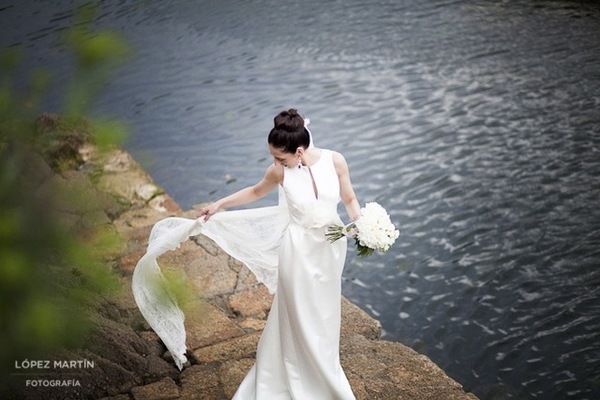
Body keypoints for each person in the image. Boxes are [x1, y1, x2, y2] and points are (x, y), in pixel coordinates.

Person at [198, 109, 360, 399]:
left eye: (280, 157)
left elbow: (349, 198)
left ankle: (323, 367)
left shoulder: (335, 161)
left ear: (299, 151)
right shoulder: (279, 172)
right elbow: (256, 192)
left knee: (324, 313)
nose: (275, 162)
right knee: (299, 313)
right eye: (273, 157)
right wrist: (219, 204)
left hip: (331, 246)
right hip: (297, 250)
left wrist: (361, 224)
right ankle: (295, 375)